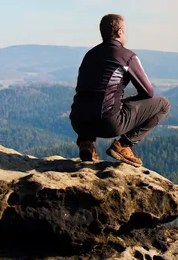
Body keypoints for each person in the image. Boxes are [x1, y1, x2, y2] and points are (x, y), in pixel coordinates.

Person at [69, 14, 171, 166]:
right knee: (163, 104)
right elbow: (148, 93)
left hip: (78, 121)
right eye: (125, 30)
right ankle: (123, 145)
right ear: (119, 32)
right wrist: (124, 102)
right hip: (108, 123)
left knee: (91, 103)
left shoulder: (89, 55)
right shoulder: (126, 56)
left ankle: (86, 143)